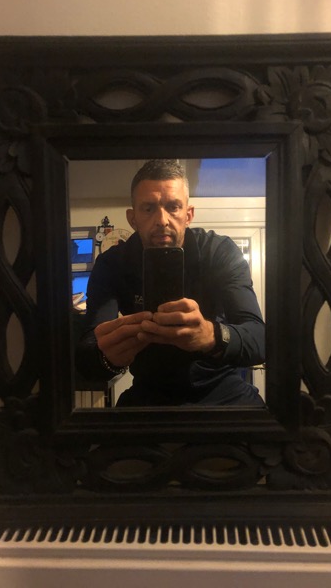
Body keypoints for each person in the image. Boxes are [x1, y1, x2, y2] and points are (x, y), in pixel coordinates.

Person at [75, 159, 265, 406]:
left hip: (222, 389)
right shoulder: (113, 263)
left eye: (173, 207)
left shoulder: (219, 251)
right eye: (148, 208)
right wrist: (108, 358)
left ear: (188, 215)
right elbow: (87, 353)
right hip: (149, 391)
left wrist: (211, 335)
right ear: (132, 218)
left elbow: (260, 338)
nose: (162, 220)